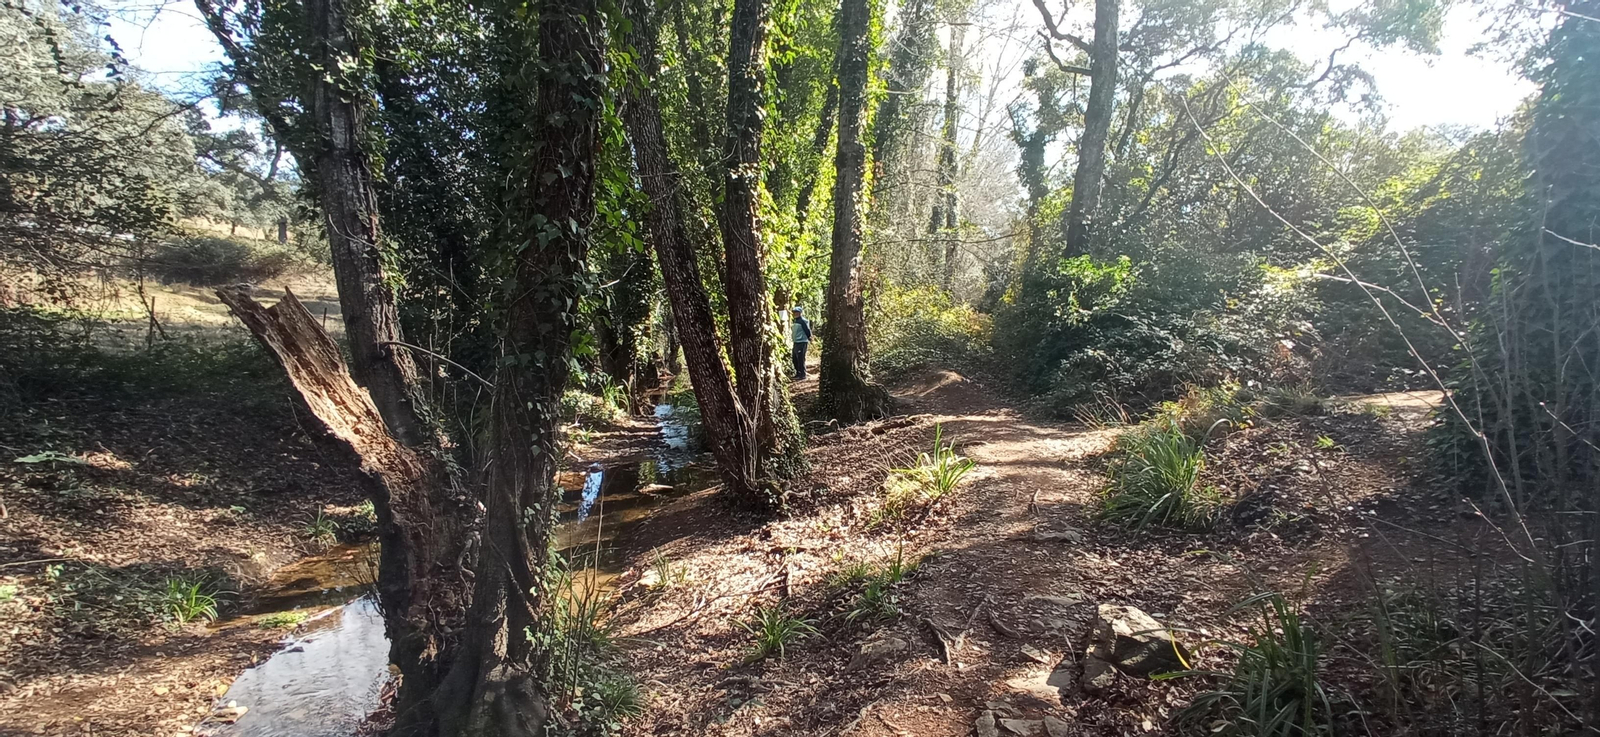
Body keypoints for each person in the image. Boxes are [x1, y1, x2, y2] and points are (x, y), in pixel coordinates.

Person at [790, 306, 812, 379]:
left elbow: (807, 330)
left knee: (800, 358)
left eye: (797, 312)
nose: (795, 314)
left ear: (800, 313)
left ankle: (802, 375)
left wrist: (809, 337)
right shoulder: (795, 321)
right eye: (794, 312)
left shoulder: (803, 321)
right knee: (794, 358)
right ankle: (798, 373)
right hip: (796, 342)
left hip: (802, 342)